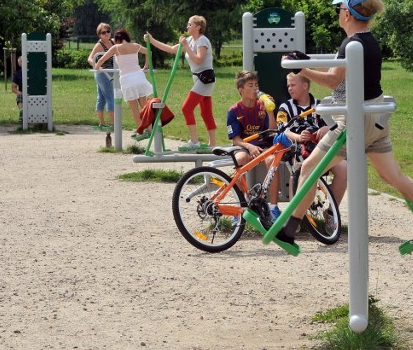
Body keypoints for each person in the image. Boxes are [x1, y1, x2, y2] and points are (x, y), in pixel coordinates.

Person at [275, 0, 413, 247]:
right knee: (393, 175)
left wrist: (302, 68)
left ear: (347, 14)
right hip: (377, 117)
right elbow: (340, 69)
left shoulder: (351, 44)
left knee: (309, 168)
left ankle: (289, 230)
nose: (338, 13)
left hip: (357, 122)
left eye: (340, 9)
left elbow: (333, 79)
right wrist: (307, 61)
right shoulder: (368, 41)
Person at [276, 72, 348, 232]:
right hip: (298, 148)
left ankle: (331, 213)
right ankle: (294, 217)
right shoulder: (285, 107)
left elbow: (337, 124)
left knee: (344, 169)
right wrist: (299, 137)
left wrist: (326, 128)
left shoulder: (320, 106)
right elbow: (283, 129)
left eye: (292, 85)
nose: (289, 88)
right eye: (288, 85)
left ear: (305, 86)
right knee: (297, 168)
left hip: (321, 147)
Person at [144, 15, 217, 149]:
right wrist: (152, 40)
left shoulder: (202, 41)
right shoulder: (189, 40)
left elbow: (199, 60)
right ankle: (212, 144)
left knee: (186, 108)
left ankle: (194, 141)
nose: (187, 26)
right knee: (205, 111)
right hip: (198, 78)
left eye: (190, 24)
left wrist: (186, 47)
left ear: (198, 27)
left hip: (205, 78)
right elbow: (171, 49)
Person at [226, 71, 281, 221]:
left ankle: (273, 207)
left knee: (272, 161)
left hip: (263, 146)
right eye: (251, 85)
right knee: (240, 159)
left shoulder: (262, 107)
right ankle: (241, 207)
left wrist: (270, 112)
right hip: (245, 146)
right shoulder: (234, 111)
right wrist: (249, 147)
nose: (255, 88)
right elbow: (236, 140)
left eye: (256, 85)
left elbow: (272, 130)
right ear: (241, 90)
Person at [94, 28, 152, 135]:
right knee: (144, 106)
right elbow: (149, 52)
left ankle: (141, 131)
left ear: (117, 39)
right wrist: (145, 66)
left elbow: (102, 59)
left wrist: (97, 67)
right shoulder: (135, 46)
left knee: (134, 107)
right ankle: (150, 129)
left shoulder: (116, 48)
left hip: (127, 79)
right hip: (139, 77)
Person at [87, 23, 115, 131]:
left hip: (111, 72)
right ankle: (113, 124)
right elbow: (90, 58)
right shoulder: (99, 45)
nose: (107, 34)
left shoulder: (113, 42)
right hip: (102, 74)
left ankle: (102, 123)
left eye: (108, 31)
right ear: (99, 34)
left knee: (102, 98)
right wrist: (96, 65)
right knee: (110, 97)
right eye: (104, 32)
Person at [11, 56, 23, 122]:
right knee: (19, 96)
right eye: (21, 61)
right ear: (19, 64)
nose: (23, 63)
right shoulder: (17, 74)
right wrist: (19, 92)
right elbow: (13, 88)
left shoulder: (32, 72)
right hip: (23, 93)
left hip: (33, 92)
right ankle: (22, 112)